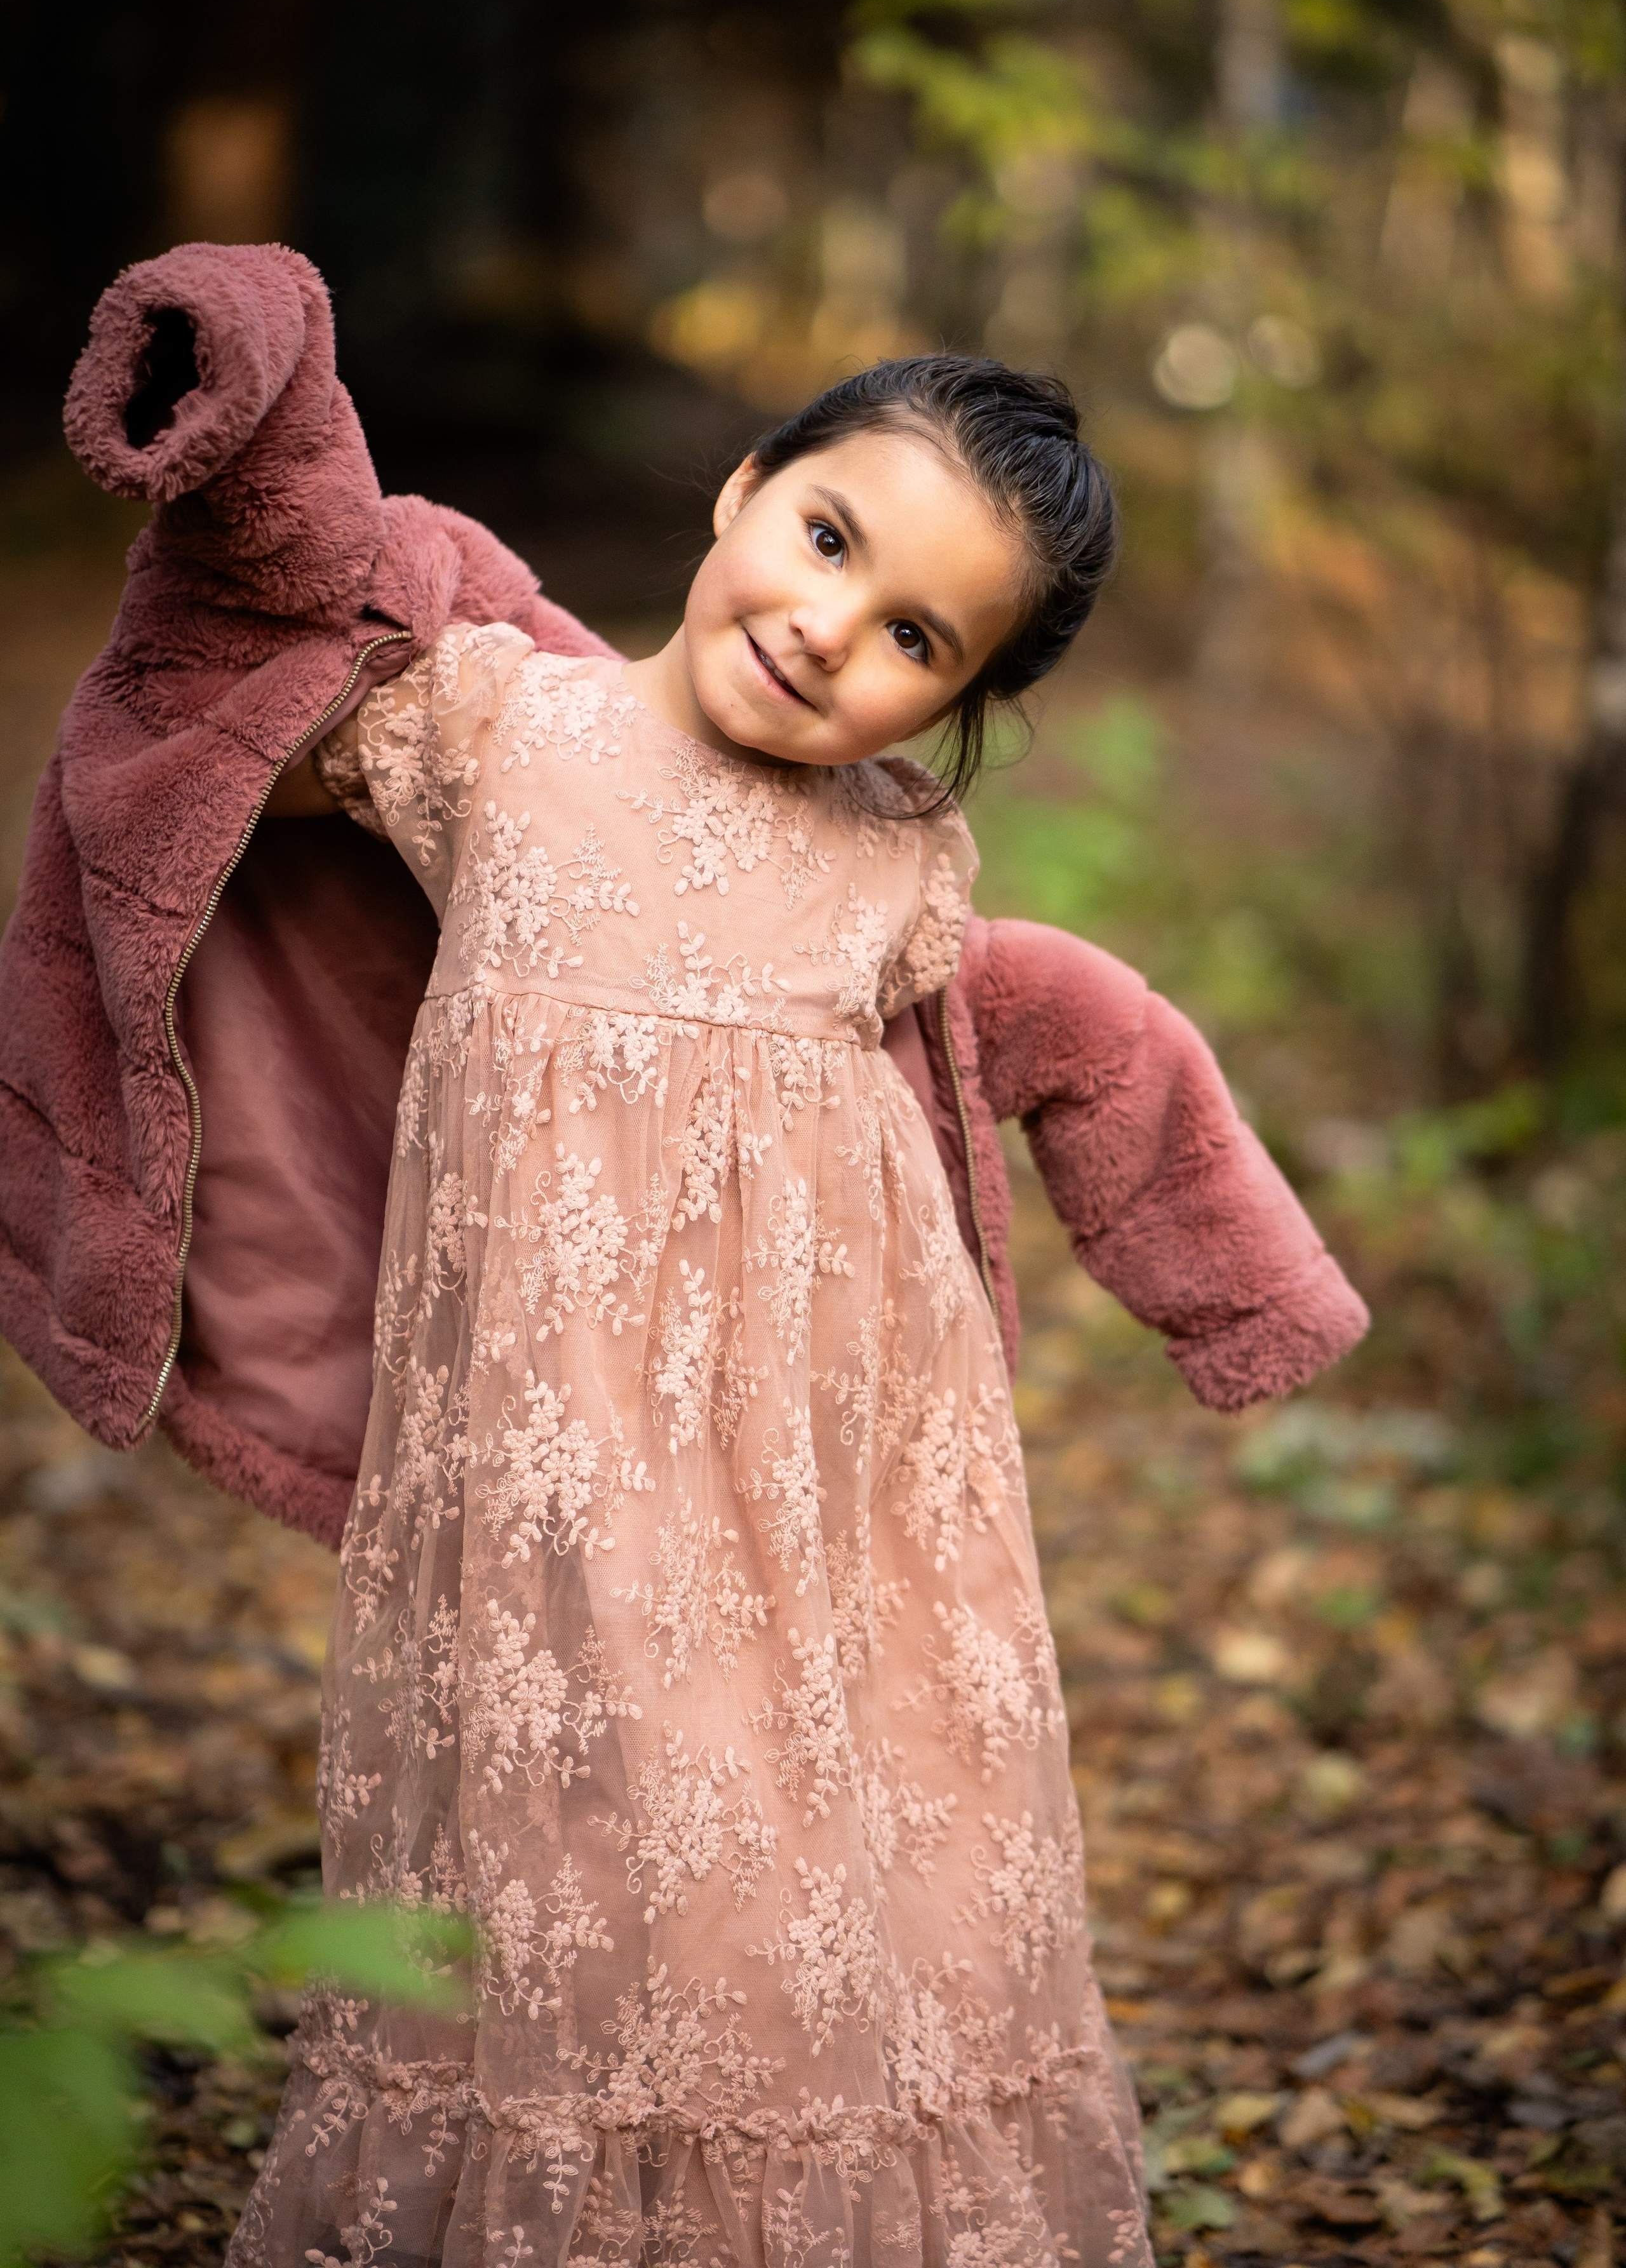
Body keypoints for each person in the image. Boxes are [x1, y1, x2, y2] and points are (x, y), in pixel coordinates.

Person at [0, 248, 1366, 2267]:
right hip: (542, 1448)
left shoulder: (895, 865)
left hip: (823, 1482)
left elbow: (1065, 1028)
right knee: (558, 1835)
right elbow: (288, 606)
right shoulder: (495, 724)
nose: (828, 630)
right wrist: (247, 381)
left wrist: (1230, 1282)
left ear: (961, 705)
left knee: (792, 1836)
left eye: (914, 634)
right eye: (826, 537)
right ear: (742, 489)